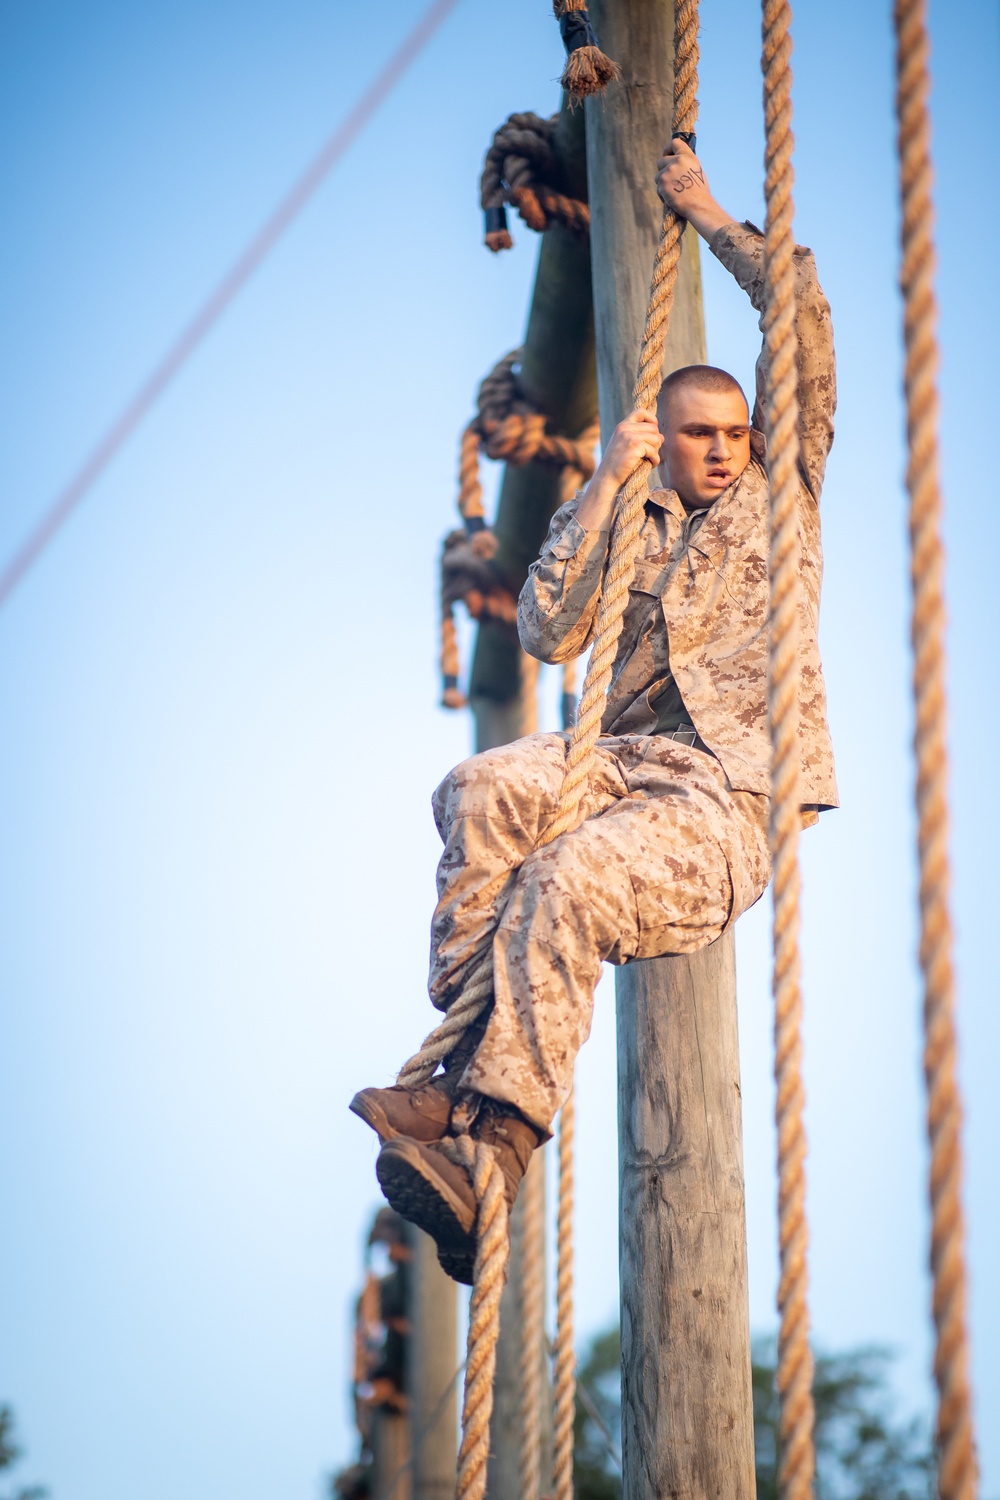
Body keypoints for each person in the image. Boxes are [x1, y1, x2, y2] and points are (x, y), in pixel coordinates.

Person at [350, 138, 838, 1284]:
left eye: (733, 434)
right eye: (697, 437)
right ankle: (453, 1074)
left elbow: (804, 320)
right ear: (661, 441)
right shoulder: (627, 512)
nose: (721, 451)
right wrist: (603, 485)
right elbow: (544, 628)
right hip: (617, 760)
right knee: (476, 790)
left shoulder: (783, 497)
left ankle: (494, 1148)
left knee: (570, 882)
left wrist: (709, 214)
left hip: (725, 796)